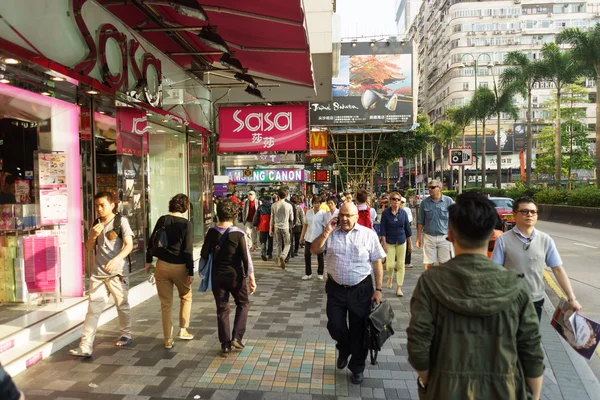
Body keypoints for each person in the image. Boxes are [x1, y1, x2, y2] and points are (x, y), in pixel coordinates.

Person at [407, 192, 544, 400]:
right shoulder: (516, 285)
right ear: (492, 235)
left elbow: (418, 347)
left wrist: (430, 382)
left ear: (450, 234)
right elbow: (532, 352)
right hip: (505, 391)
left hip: (445, 391)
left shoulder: (430, 282)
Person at [310, 203, 386, 385]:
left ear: (356, 217)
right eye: (342, 215)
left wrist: (379, 289)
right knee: (335, 325)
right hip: (336, 288)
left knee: (359, 332)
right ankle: (344, 348)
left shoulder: (368, 234)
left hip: (361, 289)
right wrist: (326, 231)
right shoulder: (331, 233)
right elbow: (314, 249)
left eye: (348, 215)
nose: (344, 219)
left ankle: (357, 368)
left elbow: (377, 263)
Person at [491, 197, 582, 321]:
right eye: (524, 211)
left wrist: (572, 298)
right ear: (514, 215)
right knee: (511, 338)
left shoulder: (546, 239)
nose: (529, 215)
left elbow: (558, 269)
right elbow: (495, 271)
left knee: (531, 339)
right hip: (510, 300)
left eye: (533, 212)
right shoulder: (503, 240)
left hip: (535, 300)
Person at [70, 192, 134, 357]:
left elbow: (129, 245)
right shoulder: (96, 223)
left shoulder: (121, 221)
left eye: (102, 205)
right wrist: (92, 235)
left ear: (112, 205)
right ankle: (85, 346)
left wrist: (117, 258)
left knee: (122, 304)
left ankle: (126, 333)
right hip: (98, 274)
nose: (99, 209)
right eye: (96, 206)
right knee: (93, 309)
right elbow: (90, 247)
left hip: (117, 273)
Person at [200, 199, 257, 356]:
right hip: (236, 277)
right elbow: (246, 259)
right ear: (234, 214)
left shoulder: (211, 232)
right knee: (243, 303)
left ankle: (225, 344)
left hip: (217, 276)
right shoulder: (238, 234)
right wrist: (251, 277)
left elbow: (203, 254)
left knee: (222, 309)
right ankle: (236, 338)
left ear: (218, 214)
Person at [145, 193, 194, 349]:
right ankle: (183, 330)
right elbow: (188, 250)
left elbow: (151, 241)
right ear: (186, 207)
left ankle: (168, 339)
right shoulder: (186, 224)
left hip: (162, 265)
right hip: (180, 267)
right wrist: (191, 271)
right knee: (186, 296)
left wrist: (148, 261)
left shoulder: (163, 220)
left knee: (166, 303)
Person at [416, 179, 454, 269]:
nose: (430, 189)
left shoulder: (449, 201)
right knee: (429, 264)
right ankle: (429, 282)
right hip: (429, 237)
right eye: (428, 187)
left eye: (432, 187)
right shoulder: (424, 203)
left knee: (444, 264)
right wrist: (418, 238)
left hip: (444, 237)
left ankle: (442, 283)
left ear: (439, 188)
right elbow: (420, 221)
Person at [380, 191, 412, 297]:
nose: (396, 201)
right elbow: (383, 230)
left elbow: (408, 229)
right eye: (394, 199)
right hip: (389, 241)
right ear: (390, 201)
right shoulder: (385, 213)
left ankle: (399, 287)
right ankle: (390, 276)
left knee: (400, 264)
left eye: (398, 199)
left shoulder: (403, 213)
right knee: (389, 265)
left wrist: (410, 243)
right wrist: (383, 243)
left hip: (401, 240)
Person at [300, 196, 327, 280]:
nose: (317, 205)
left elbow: (324, 227)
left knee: (320, 256)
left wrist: (324, 239)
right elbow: (305, 225)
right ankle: (308, 273)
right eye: (315, 203)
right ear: (312, 204)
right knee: (307, 255)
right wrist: (302, 237)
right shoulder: (308, 213)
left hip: (319, 238)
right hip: (309, 237)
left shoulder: (323, 214)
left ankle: (320, 273)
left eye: (318, 203)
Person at [270, 187, 294, 270]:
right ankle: (283, 256)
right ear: (286, 195)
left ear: (278, 195)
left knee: (278, 244)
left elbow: (271, 218)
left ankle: (279, 261)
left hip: (276, 226)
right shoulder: (289, 205)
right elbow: (291, 218)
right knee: (288, 243)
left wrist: (270, 229)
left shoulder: (274, 205)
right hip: (285, 226)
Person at [254, 195, 273, 261]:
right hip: (271, 226)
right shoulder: (273, 206)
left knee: (262, 240)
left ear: (264, 199)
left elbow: (256, 217)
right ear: (270, 199)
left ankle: (263, 252)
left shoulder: (260, 207)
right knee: (270, 240)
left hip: (262, 225)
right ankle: (270, 253)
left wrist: (255, 225)